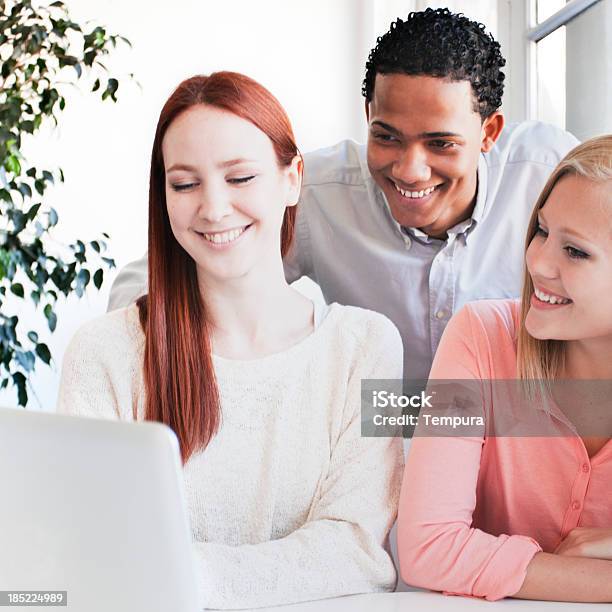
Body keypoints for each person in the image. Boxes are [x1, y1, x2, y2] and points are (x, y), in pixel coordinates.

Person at [56, 72, 404, 609]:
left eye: (240, 178)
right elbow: (89, 547)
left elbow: (358, 549)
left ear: (293, 180)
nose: (214, 209)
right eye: (185, 184)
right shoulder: (104, 352)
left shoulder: (368, 347)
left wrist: (183, 576)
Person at [107, 8, 578, 380]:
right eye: (387, 136)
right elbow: (150, 281)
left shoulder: (549, 175)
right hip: (381, 451)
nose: (410, 171)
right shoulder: (317, 193)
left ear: (489, 132)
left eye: (441, 143)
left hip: (524, 441)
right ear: (367, 113)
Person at [397, 135, 612, 602]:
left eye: (575, 251)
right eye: (541, 230)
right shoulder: (479, 336)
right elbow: (428, 546)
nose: (538, 261)